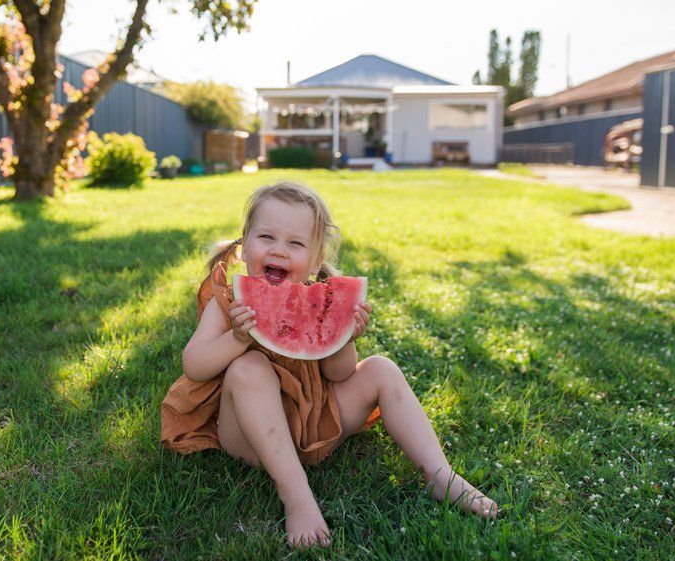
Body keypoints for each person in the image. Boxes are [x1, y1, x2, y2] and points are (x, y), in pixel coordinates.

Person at [161, 181, 497, 548]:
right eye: (267, 237)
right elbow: (194, 365)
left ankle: (439, 475)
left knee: (381, 368)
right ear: (244, 244)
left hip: (316, 423)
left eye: (295, 243)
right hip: (249, 438)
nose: (279, 250)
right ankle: (296, 494)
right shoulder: (228, 301)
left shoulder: (320, 302)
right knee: (248, 367)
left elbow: (338, 375)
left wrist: (346, 337)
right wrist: (237, 339)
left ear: (316, 261)